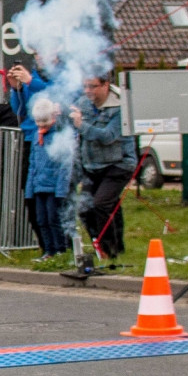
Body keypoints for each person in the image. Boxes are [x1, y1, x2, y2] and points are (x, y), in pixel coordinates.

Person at [70, 73, 137, 260]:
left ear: (106, 85)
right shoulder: (83, 103)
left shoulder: (120, 107)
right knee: (85, 208)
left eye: (92, 86)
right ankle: (106, 245)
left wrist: (81, 125)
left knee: (100, 204)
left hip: (119, 164)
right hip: (92, 166)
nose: (87, 91)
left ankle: (108, 250)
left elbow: (108, 136)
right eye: (85, 86)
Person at [7, 58, 50, 253]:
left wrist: (31, 81)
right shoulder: (34, 75)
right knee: (29, 193)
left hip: (51, 138)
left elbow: (57, 95)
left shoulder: (58, 73)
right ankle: (45, 246)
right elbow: (20, 110)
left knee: (50, 193)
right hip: (29, 138)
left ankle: (58, 245)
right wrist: (15, 89)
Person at [24, 97, 74, 262]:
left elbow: (64, 165)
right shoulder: (36, 138)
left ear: (53, 117)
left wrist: (61, 190)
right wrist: (29, 189)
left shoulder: (59, 135)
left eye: (44, 121)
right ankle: (48, 251)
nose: (41, 125)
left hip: (54, 188)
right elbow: (32, 165)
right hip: (39, 187)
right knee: (41, 220)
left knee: (54, 219)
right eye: (38, 121)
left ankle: (60, 249)